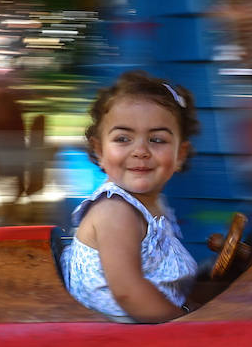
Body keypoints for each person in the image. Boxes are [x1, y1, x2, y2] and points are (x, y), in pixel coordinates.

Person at [61, 70, 200, 323]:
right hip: (117, 340)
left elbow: (160, 277)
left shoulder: (153, 205)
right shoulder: (115, 211)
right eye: (123, 138)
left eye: (157, 139)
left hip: (144, 330)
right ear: (100, 151)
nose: (140, 151)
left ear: (181, 154)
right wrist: (186, 325)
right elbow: (128, 292)